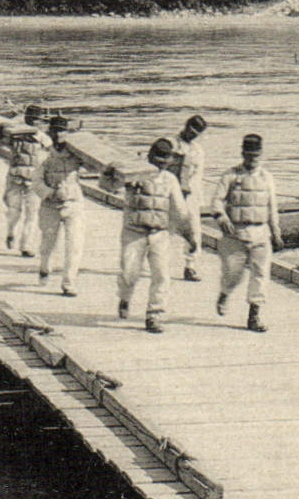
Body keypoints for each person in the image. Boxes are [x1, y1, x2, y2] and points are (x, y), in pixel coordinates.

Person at [112, 138, 195, 334]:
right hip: (134, 233)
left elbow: (180, 211)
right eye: (157, 160)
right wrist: (109, 173)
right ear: (149, 157)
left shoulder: (170, 180)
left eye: (164, 161)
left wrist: (189, 236)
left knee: (162, 276)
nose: (160, 164)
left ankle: (154, 314)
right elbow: (108, 186)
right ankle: (125, 298)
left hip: (160, 234)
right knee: (129, 274)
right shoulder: (133, 175)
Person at [209, 133, 283, 333]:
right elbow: (216, 201)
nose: (252, 159)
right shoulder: (231, 175)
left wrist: (276, 232)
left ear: (260, 155)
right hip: (236, 233)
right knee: (233, 274)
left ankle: (254, 315)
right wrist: (222, 218)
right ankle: (225, 293)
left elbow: (272, 207)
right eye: (248, 155)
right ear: (243, 153)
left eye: (256, 155)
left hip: (260, 233)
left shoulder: (266, 177)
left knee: (260, 274)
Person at [35, 115, 85, 296]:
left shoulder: (77, 153)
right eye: (55, 131)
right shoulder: (44, 155)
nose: (59, 135)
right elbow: (36, 182)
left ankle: (68, 283)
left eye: (62, 131)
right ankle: (44, 267)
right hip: (50, 205)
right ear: (50, 132)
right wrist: (49, 193)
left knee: (75, 245)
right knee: (48, 243)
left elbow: (93, 166)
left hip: (73, 203)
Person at [2, 105, 48, 257]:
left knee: (32, 214)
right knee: (13, 212)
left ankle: (26, 245)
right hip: (15, 177)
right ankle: (10, 232)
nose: (34, 122)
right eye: (32, 119)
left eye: (37, 120)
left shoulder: (42, 137)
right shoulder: (15, 134)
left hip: (34, 180)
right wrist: (0, 129)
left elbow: (53, 151)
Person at [171, 113, 208, 281]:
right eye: (190, 130)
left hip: (191, 195)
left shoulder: (198, 150)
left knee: (194, 231)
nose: (192, 134)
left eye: (196, 133)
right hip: (171, 192)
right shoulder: (171, 144)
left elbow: (198, 176)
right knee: (162, 229)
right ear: (185, 126)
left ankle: (190, 266)